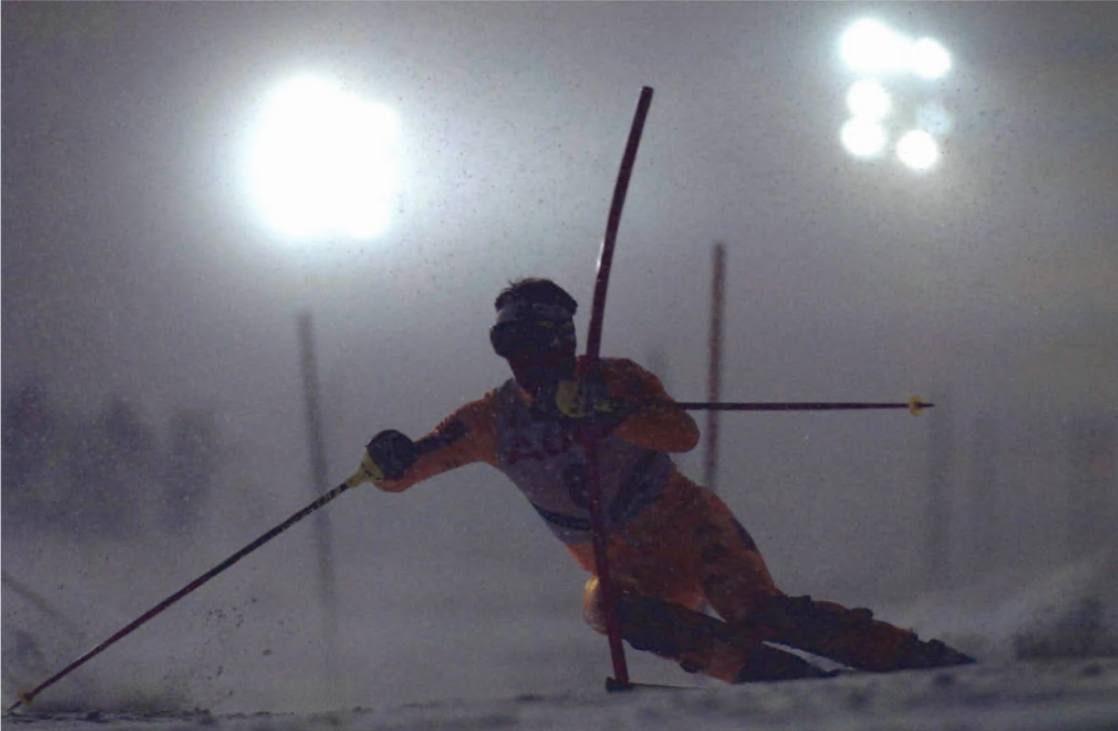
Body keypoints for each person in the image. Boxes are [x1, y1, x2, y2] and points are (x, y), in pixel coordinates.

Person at [354, 277, 973, 682]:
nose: (525, 362)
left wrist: (611, 415)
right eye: (508, 345)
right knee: (606, 606)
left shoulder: (615, 379)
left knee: (756, 609)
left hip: (686, 525)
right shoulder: (490, 419)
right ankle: (775, 681)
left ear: (564, 342)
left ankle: (914, 659)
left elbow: (681, 434)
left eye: (537, 345)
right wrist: (390, 458)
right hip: (622, 561)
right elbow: (406, 472)